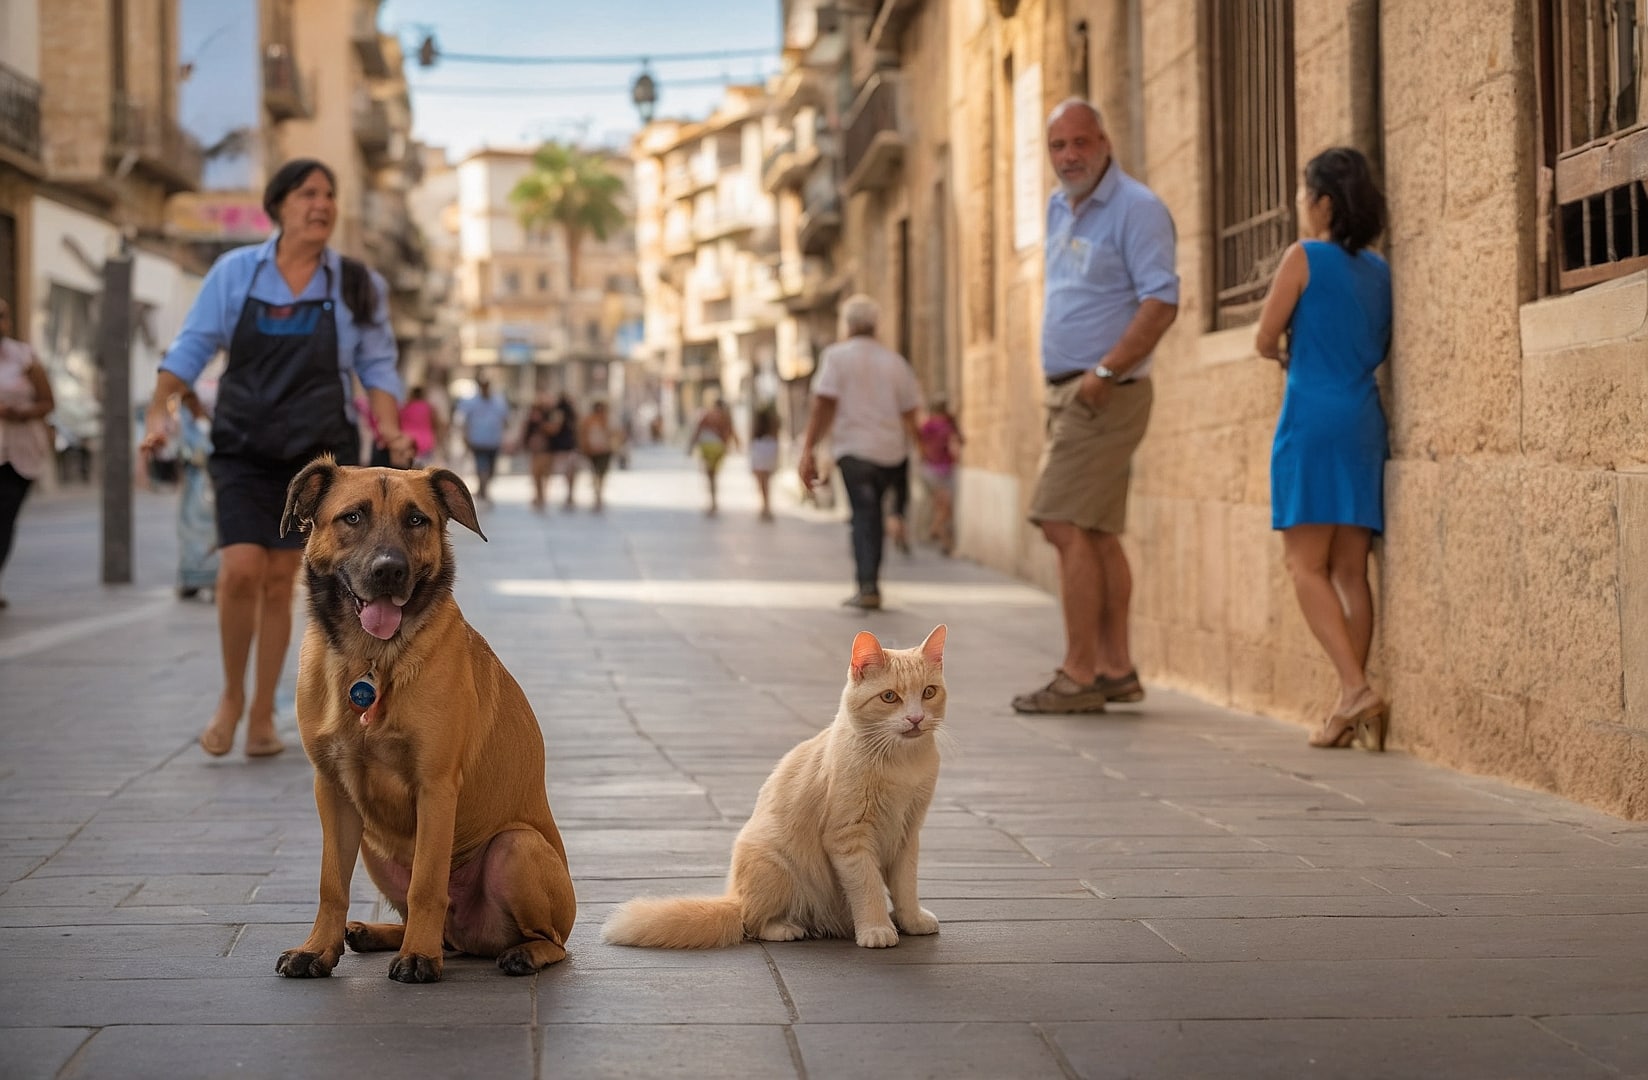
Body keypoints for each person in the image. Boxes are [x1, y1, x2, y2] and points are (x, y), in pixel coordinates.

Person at [139, 158, 412, 758]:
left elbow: (377, 366)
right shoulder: (236, 273)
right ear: (280, 204)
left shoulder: (357, 284)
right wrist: (160, 413)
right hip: (241, 446)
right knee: (239, 570)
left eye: (330, 193)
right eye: (309, 193)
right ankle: (231, 696)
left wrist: (391, 430)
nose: (323, 204)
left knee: (279, 579)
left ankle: (264, 712)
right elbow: (191, 348)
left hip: (320, 462)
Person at [1012, 98, 1179, 715]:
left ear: (1105, 142)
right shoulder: (1060, 206)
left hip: (1104, 391)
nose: (1069, 156)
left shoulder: (1137, 208)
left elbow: (1161, 301)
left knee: (1060, 521)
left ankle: (1079, 674)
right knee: (1099, 533)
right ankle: (1116, 668)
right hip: (1070, 390)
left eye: (1081, 142)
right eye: (1058, 146)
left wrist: (1106, 372)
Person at [1255, 146, 1393, 751]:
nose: (1302, 208)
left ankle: (1355, 689)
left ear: (1324, 203)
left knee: (1303, 565)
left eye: (1306, 196)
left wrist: (1288, 352)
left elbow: (1264, 337)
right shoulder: (1381, 270)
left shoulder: (1303, 256)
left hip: (1311, 419)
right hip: (1363, 419)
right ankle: (1347, 707)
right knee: (1349, 569)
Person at [797, 294, 922, 611]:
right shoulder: (896, 362)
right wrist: (918, 447)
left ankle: (867, 585)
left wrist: (808, 448)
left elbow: (823, 404)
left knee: (864, 517)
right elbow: (910, 413)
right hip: (891, 451)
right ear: (875, 325)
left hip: (854, 450)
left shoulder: (836, 357)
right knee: (873, 515)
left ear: (848, 325)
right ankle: (870, 583)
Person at [0, 297, 56, 609]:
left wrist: (21, 413)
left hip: (18, 453)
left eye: (3, 316)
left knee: (4, 518)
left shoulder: (25, 358)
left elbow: (49, 403)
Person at [917, 395, 965, 555]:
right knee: (945, 507)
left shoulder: (936, 424)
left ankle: (944, 542)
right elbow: (961, 441)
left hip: (938, 469)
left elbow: (919, 441)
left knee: (943, 508)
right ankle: (935, 529)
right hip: (937, 470)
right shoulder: (938, 425)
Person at [456, 374, 509, 503]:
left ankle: (483, 488)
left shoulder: (499, 401)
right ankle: (484, 491)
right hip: (477, 440)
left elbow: (505, 420)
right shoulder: (471, 402)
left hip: (493, 441)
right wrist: (465, 437)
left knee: (491, 469)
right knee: (481, 466)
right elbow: (463, 420)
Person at [688, 393, 738, 516]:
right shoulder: (725, 417)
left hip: (708, 447)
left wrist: (690, 446)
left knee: (710, 476)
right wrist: (736, 444)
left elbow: (698, 430)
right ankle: (713, 502)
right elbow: (731, 431)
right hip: (719, 448)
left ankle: (712, 502)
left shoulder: (707, 415)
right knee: (714, 475)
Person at [521, 392, 558, 511]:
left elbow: (554, 430)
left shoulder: (550, 414)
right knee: (536, 473)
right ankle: (539, 494)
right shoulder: (533, 415)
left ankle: (542, 495)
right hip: (536, 449)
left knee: (545, 473)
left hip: (547, 448)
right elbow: (527, 429)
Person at [578, 398, 616, 512]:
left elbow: (615, 434)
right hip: (592, 451)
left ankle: (599, 495)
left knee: (602, 474)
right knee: (595, 474)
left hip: (605, 451)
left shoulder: (608, 420)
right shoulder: (588, 421)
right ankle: (596, 496)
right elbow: (583, 434)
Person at [748, 400, 781, 522]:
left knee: (762, 482)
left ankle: (765, 506)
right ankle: (766, 506)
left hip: (760, 449)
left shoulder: (760, 423)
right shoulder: (772, 422)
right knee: (766, 481)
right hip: (768, 449)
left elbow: (752, 435)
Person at [547, 392, 580, 509]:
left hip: (562, 446)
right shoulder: (571, 412)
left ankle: (567, 495)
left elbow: (555, 427)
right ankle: (569, 495)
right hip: (568, 445)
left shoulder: (559, 411)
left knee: (565, 471)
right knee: (569, 472)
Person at [399, 385, 444, 466]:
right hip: (426, 442)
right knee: (425, 471)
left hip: (409, 442)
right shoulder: (429, 408)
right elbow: (436, 424)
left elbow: (399, 423)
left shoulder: (406, 407)